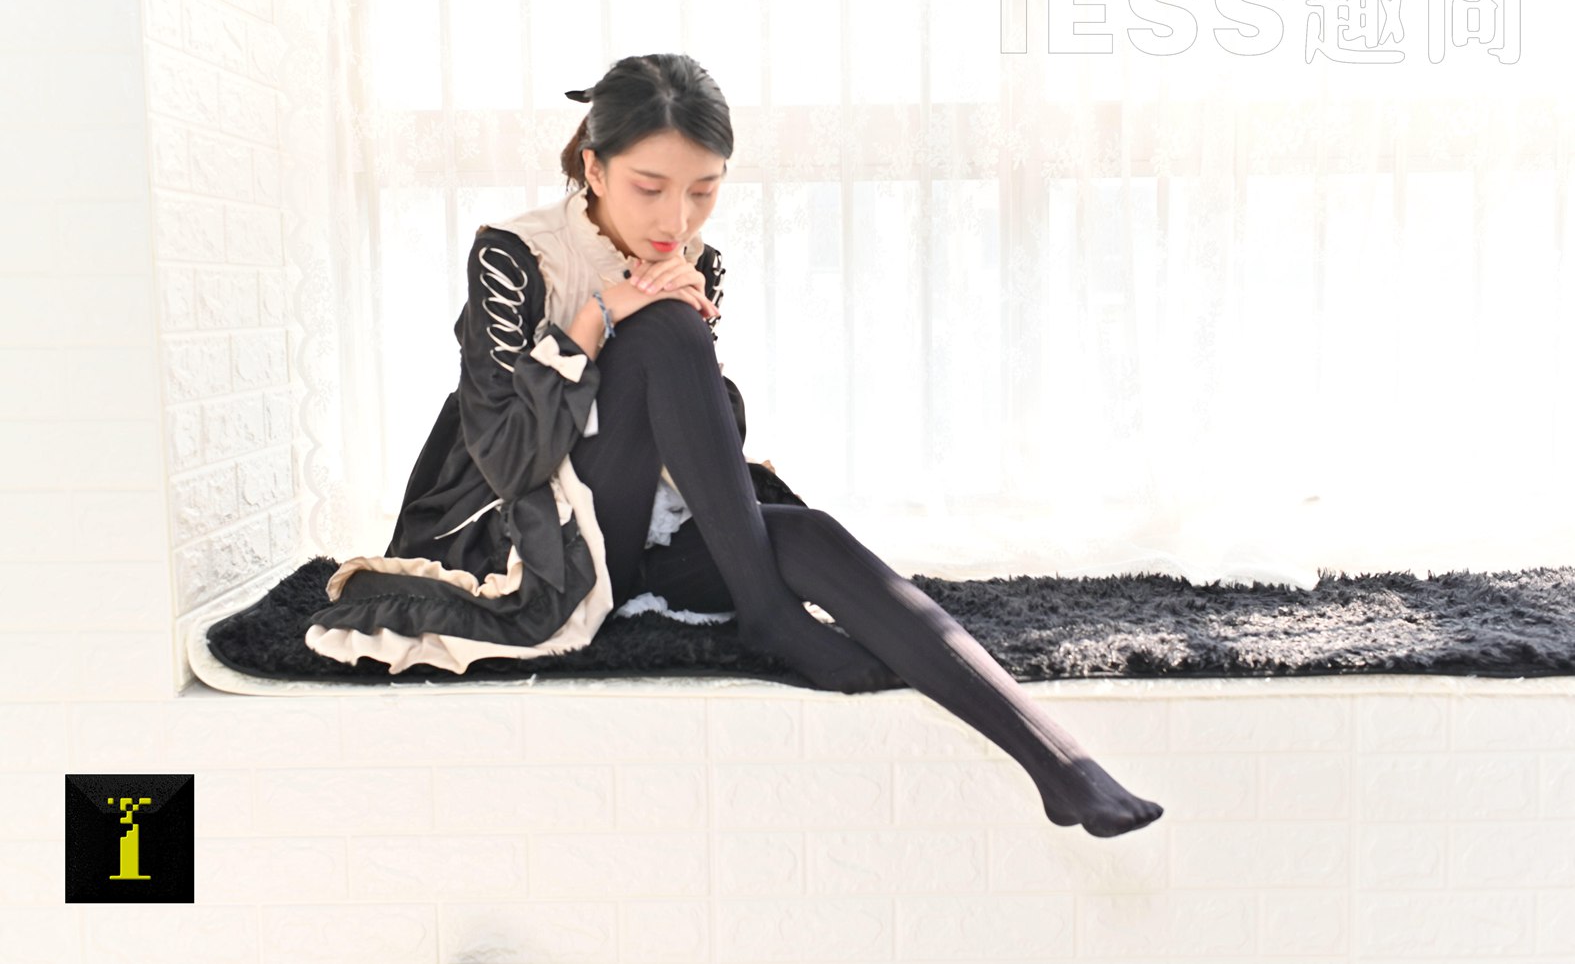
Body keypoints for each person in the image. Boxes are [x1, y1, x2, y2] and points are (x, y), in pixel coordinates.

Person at [304, 53, 1163, 838]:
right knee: (666, 332)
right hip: (530, 543)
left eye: (703, 191)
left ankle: (1062, 768)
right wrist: (599, 317)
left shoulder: (695, 261)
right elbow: (508, 459)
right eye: (649, 188)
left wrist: (689, 354)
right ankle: (768, 614)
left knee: (808, 533)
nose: (675, 218)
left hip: (636, 534)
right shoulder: (515, 255)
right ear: (593, 168)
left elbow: (694, 445)